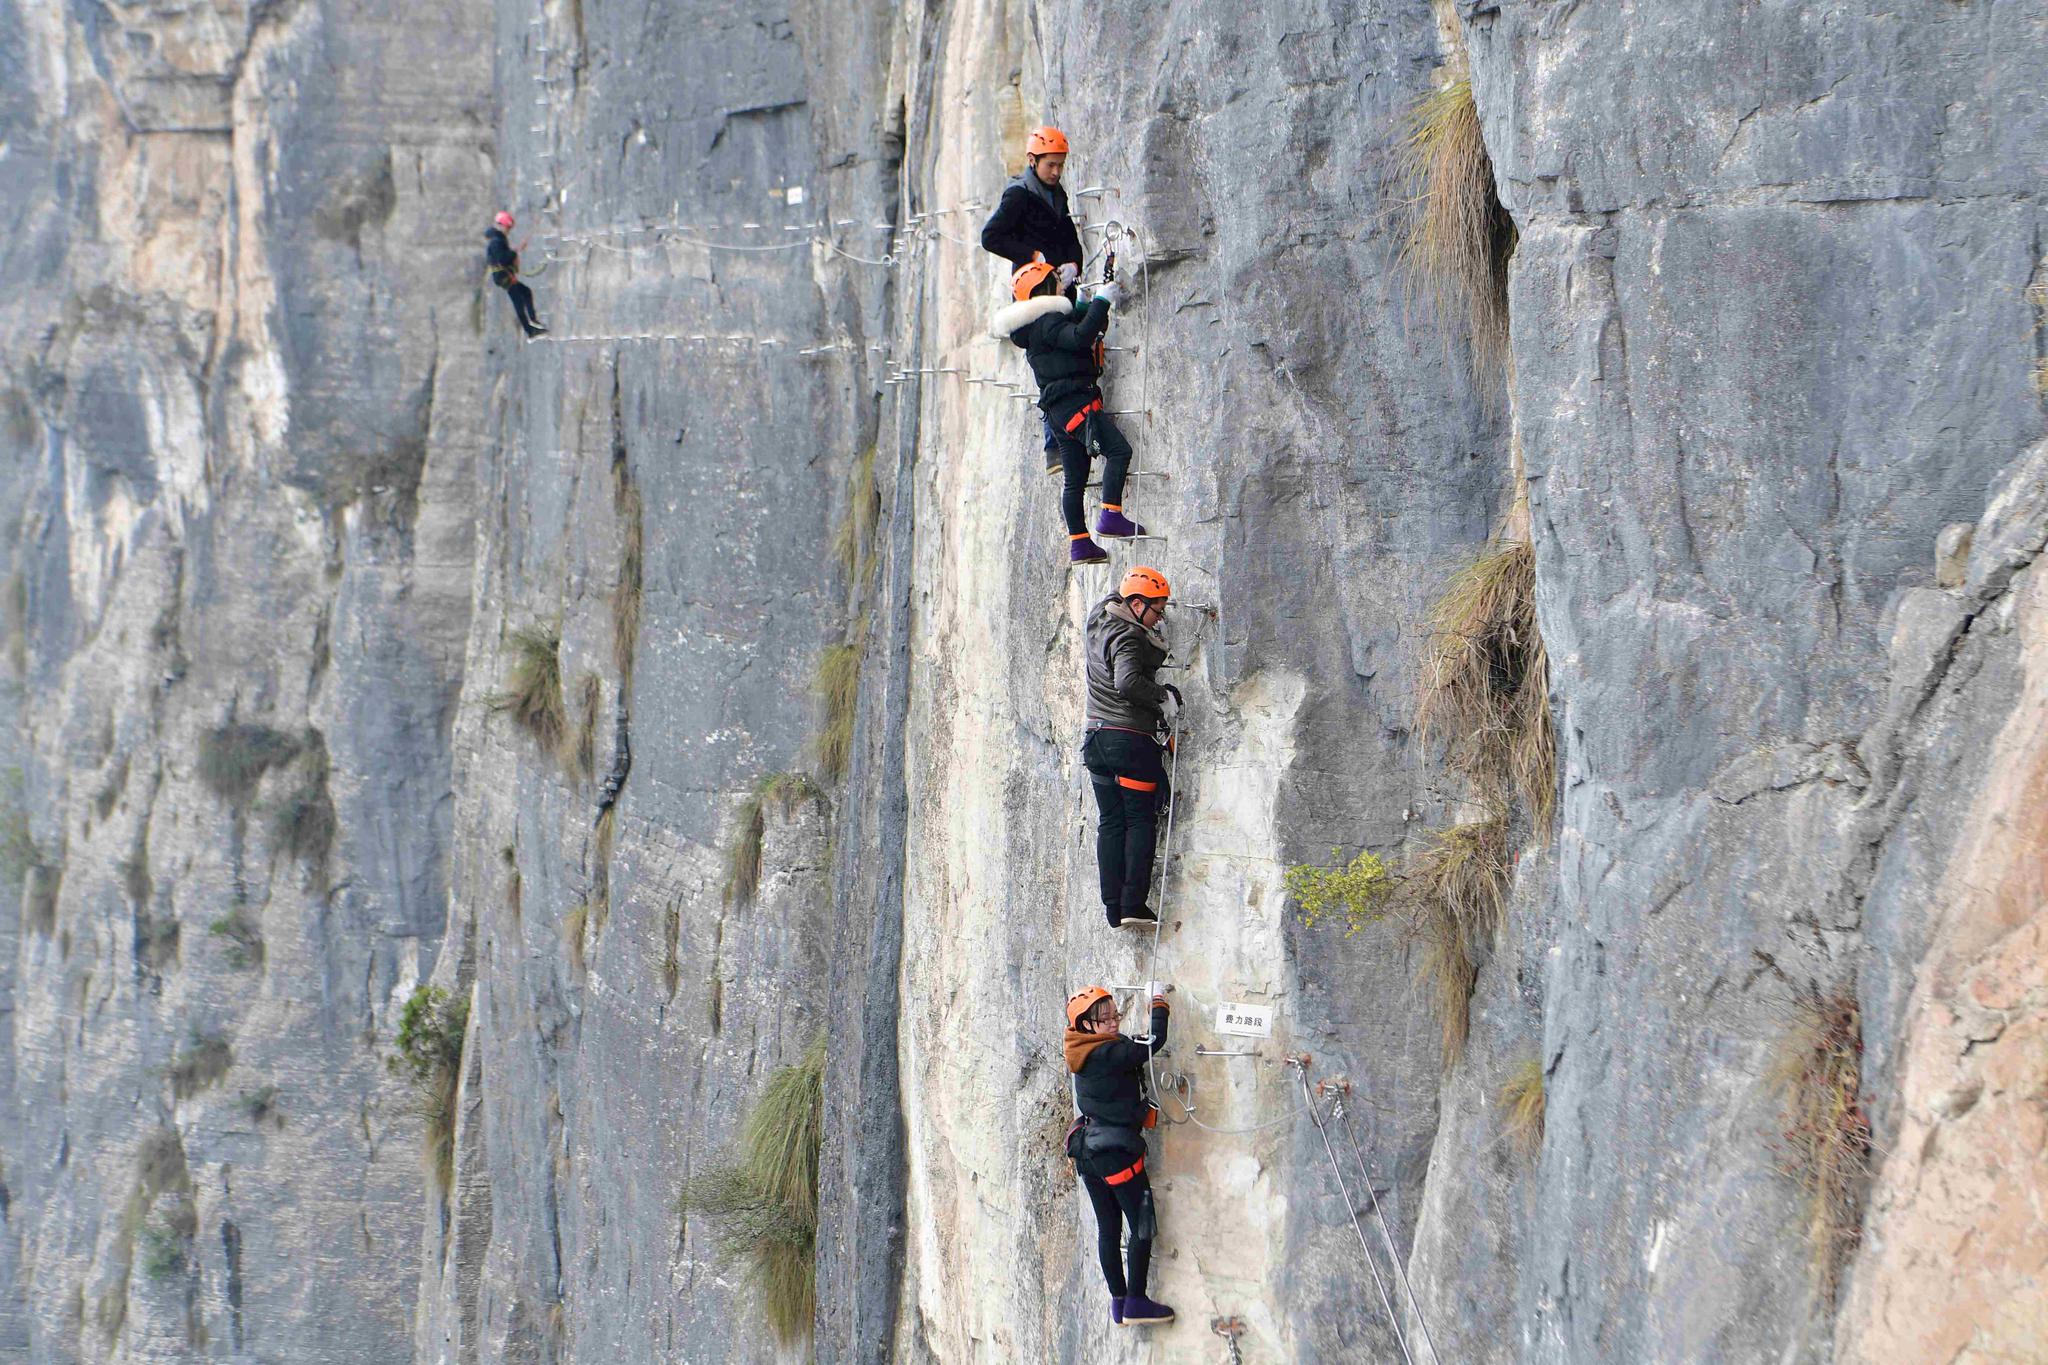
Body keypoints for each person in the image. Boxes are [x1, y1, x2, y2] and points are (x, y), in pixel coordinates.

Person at [991, 260, 1141, 565]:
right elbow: (1079, 338)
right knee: (1119, 451)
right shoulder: (1047, 322)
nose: (1062, 283)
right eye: (1056, 280)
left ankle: (1080, 544)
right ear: (1045, 289)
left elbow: (1071, 333)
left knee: (1074, 481)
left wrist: (1085, 306)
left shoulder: (1035, 327)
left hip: (1060, 413)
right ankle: (1110, 514)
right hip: (1077, 405)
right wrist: (1102, 300)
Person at [1064, 984, 1175, 1328]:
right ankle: (1137, 1301)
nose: (1114, 1023)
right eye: (1104, 1019)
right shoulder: (1108, 1054)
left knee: (1109, 1228)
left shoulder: (1082, 1050)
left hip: (1090, 1152)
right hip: (1116, 1154)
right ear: (1086, 1026)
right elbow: (1153, 1042)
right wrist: (1159, 1003)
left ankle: (1119, 1300)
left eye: (1115, 1015)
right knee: (1142, 1223)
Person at [981, 127, 1086, 478]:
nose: (1056, 172)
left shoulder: (1057, 194)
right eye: (1051, 165)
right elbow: (991, 236)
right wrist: (1032, 255)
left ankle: (1070, 435)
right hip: (1034, 291)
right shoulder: (1019, 196)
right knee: (1050, 367)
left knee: (1071, 359)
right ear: (1032, 160)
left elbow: (1069, 236)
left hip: (1059, 287)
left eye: (1060, 165)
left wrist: (1074, 263)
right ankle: (1053, 446)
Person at [1083, 567, 1179, 928]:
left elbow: (1116, 594)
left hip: (1096, 740)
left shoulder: (1099, 617)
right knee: (1139, 819)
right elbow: (1127, 682)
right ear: (1136, 604)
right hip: (1128, 740)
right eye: (1157, 610)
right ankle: (1132, 905)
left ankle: (1113, 909)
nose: (1160, 618)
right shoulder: (1129, 637)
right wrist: (1162, 696)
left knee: (1110, 822)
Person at [485, 211, 548, 340]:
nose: (508, 231)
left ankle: (532, 323)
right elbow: (503, 259)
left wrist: (514, 253)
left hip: (502, 276)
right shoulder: (497, 241)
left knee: (525, 293)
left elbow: (501, 258)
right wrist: (515, 252)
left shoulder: (497, 239)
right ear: (502, 226)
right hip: (504, 276)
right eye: (508, 228)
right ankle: (531, 329)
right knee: (519, 301)